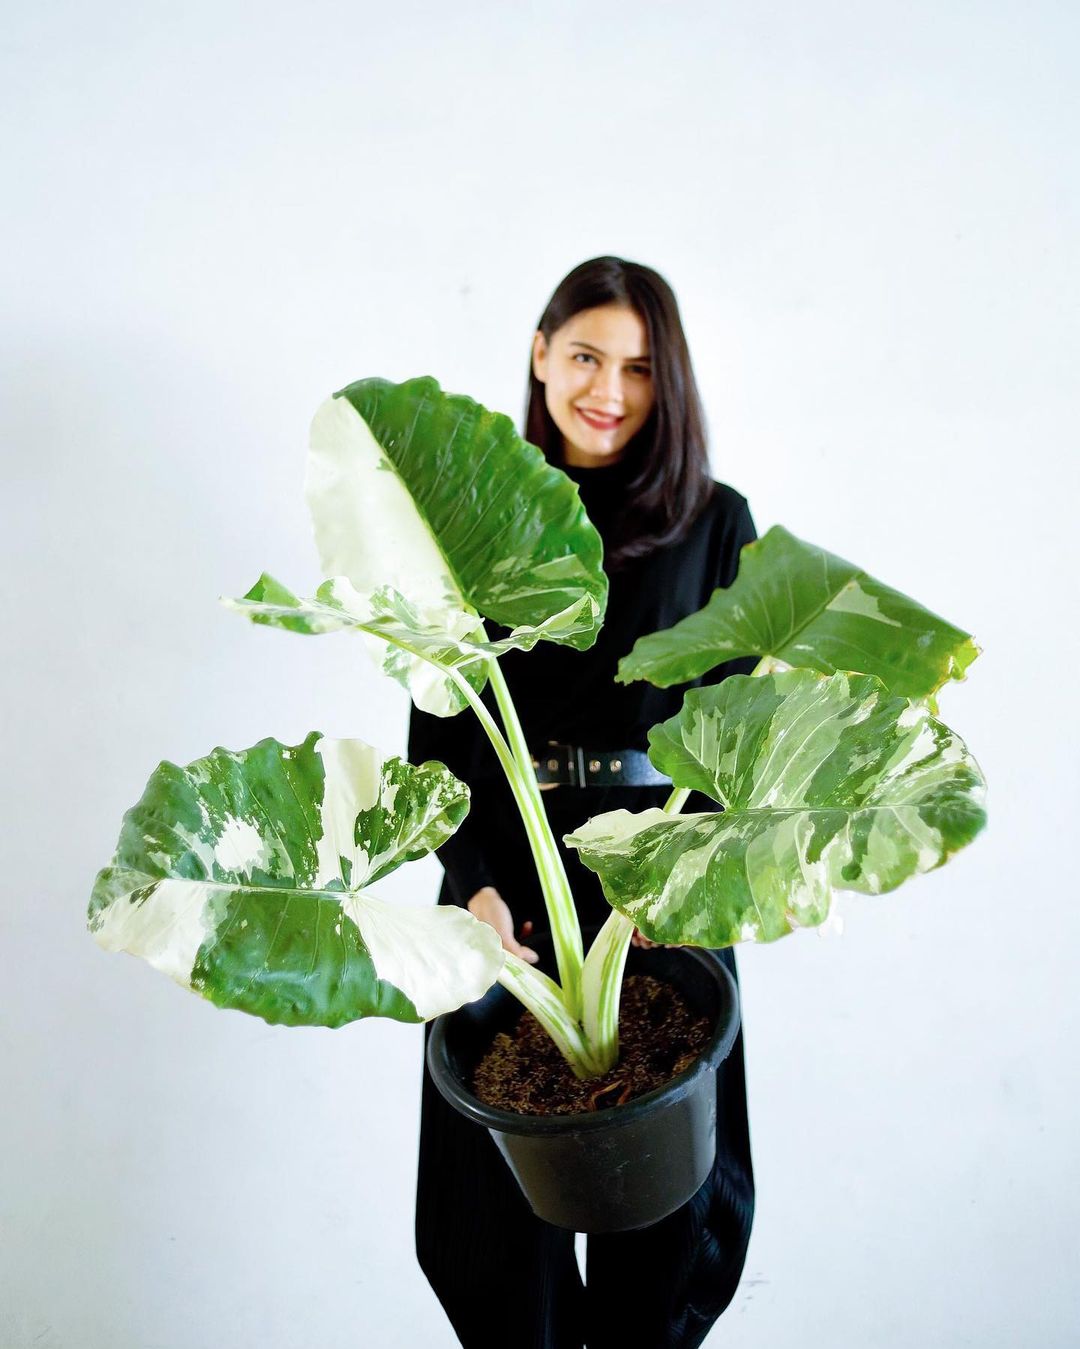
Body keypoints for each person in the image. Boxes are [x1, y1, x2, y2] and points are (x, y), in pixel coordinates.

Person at [409, 256, 757, 1349]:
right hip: (510, 868)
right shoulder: (472, 518)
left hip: (659, 874)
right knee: (485, 1223)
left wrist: (683, 865)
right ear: (540, 355)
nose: (609, 389)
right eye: (586, 356)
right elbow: (439, 726)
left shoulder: (714, 521)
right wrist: (472, 886)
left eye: (641, 368)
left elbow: (741, 726)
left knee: (669, 1222)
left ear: (673, 381)